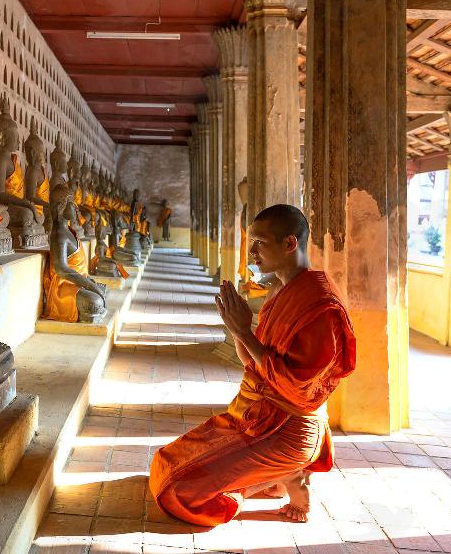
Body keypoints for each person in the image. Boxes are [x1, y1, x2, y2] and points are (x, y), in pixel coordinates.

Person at [149, 204, 356, 527]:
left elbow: (300, 390)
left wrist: (246, 331)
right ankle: (274, 478)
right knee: (165, 462)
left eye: (259, 242)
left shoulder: (321, 307)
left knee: (177, 491)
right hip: (256, 415)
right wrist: (237, 331)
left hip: (288, 428)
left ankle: (282, 473)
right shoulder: (282, 291)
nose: (252, 251)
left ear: (290, 244)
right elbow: (253, 364)